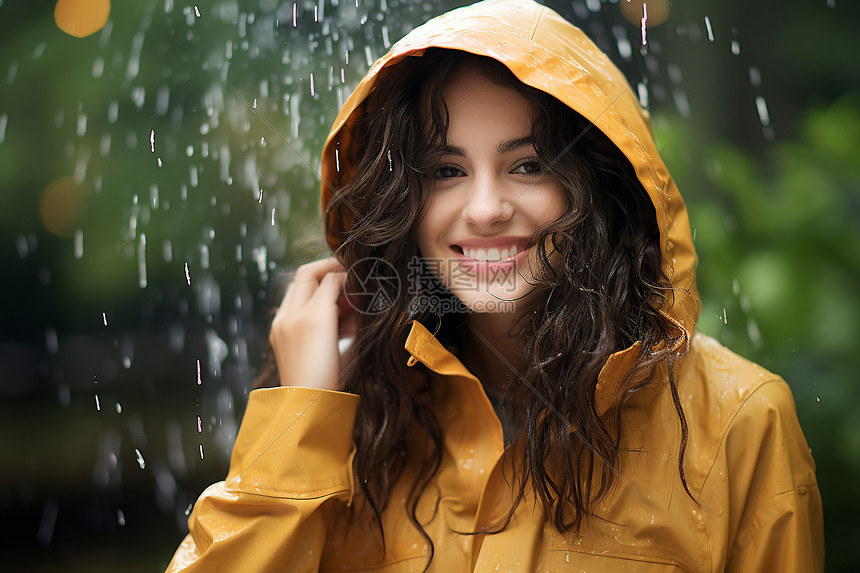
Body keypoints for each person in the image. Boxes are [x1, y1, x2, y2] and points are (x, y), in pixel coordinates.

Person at [166, 0, 823, 570]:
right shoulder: (350, 422)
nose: (483, 208)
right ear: (402, 198)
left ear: (598, 187)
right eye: (446, 170)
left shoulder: (741, 420)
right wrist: (301, 414)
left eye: (528, 164)